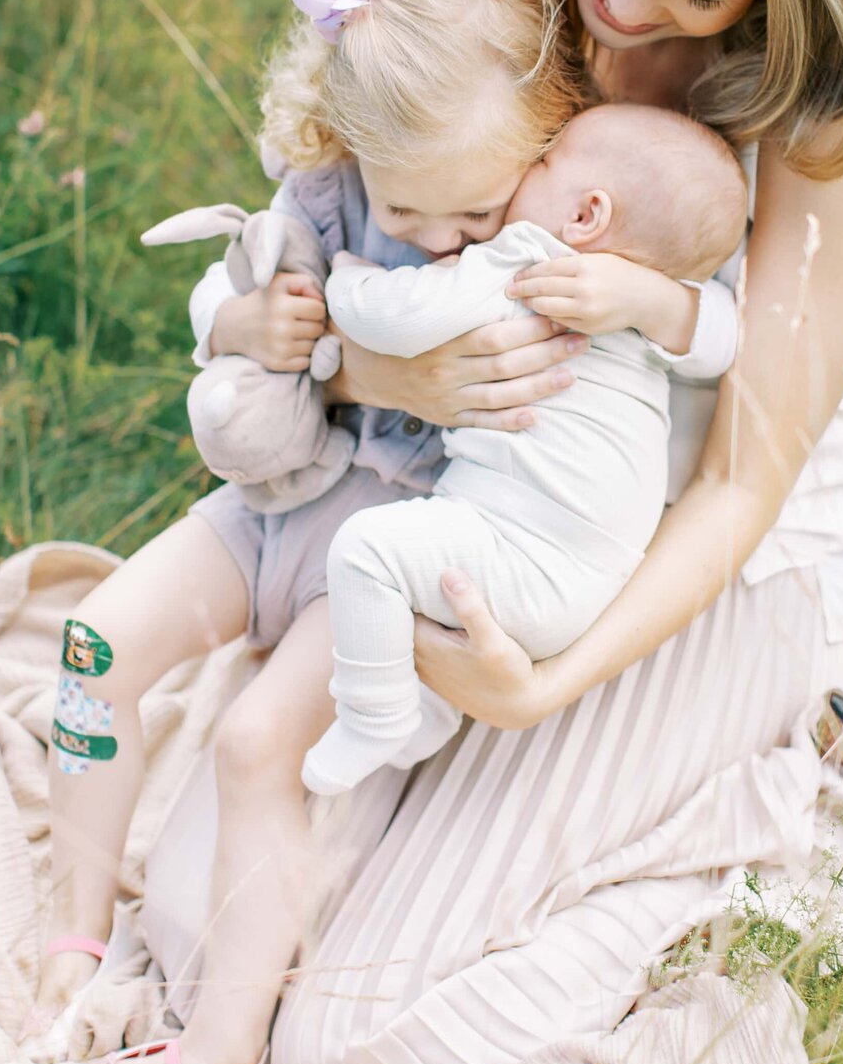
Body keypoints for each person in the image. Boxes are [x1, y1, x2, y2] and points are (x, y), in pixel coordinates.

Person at [157, 0, 843, 1064]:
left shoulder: (827, 124)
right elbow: (327, 262)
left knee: (355, 1060)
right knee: (190, 939)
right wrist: (375, 378)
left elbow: (743, 483)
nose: (621, 8)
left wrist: (548, 686)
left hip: (701, 578)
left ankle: (812, 793)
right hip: (477, 507)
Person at [27, 0, 728, 1064]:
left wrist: (639, 295)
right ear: (351, 151)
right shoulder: (332, 194)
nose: (444, 234)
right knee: (93, 648)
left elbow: (702, 337)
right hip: (273, 508)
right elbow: (236, 282)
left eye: (472, 208)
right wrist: (247, 329)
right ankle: (73, 938)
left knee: (259, 748)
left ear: (543, 152)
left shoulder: (546, 247)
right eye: (409, 206)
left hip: (401, 538)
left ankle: (217, 1051)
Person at [305, 100, 746, 794]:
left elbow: (402, 315)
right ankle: (425, 710)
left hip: (517, 551)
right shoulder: (643, 307)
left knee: (366, 553)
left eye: (543, 162)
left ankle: (373, 716)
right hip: (597, 585)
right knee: (414, 566)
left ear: (585, 216)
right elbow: (726, 338)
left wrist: (345, 279)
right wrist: (652, 298)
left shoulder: (528, 257)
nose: (523, 175)